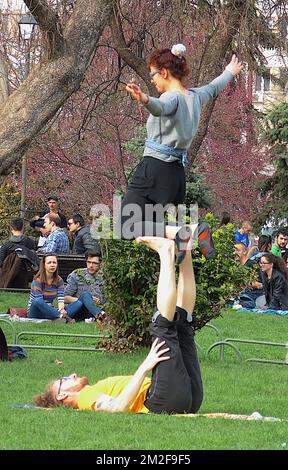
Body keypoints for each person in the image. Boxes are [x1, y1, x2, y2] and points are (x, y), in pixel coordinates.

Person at [33, 236, 203, 414]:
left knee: (183, 323)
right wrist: (145, 366)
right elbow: (116, 408)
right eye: (65, 380)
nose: (72, 374)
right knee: (163, 325)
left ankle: (185, 247)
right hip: (165, 399)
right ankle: (165, 252)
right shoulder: (84, 397)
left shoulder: (90, 392)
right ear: (63, 395)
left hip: (185, 398)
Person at [121, 45, 243, 262]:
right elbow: (214, 87)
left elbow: (160, 107)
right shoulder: (195, 96)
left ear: (164, 72)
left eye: (153, 74)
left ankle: (189, 232)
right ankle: (180, 244)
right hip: (175, 176)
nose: (152, 80)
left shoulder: (171, 97)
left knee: (126, 227)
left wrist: (144, 99)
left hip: (154, 172)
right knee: (152, 233)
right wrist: (229, 72)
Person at [27, 253, 75, 322]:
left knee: (78, 303)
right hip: (35, 312)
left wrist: (61, 309)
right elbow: (39, 301)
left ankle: (58, 317)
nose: (52, 265)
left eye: (54, 262)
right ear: (44, 265)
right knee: (37, 301)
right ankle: (62, 317)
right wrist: (60, 313)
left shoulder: (59, 280)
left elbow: (61, 298)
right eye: (49, 263)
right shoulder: (37, 280)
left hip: (50, 310)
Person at [64, 252, 104, 321]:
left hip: (94, 310)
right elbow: (64, 298)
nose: (90, 265)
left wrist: (98, 302)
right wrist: (86, 300)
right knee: (85, 295)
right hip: (78, 309)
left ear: (101, 264)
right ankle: (102, 317)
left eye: (94, 263)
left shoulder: (106, 277)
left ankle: (98, 315)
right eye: (89, 262)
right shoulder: (77, 274)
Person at [0, 218, 37, 288]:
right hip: (24, 278)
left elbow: (1, 262)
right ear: (23, 228)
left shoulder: (6, 245)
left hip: (8, 278)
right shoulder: (30, 243)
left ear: (11, 228)